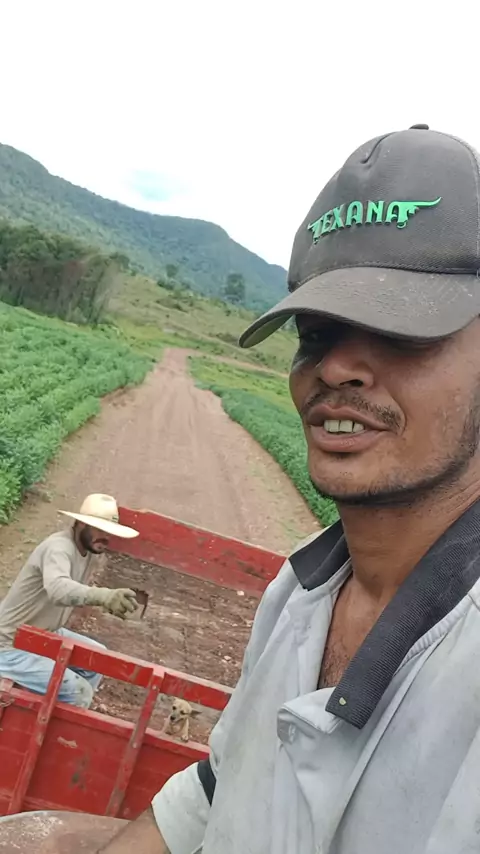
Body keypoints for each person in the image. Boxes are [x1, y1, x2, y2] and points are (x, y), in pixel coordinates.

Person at [21, 124, 480, 853]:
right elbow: (222, 786)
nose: (335, 368)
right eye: (316, 333)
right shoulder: (296, 592)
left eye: (402, 330)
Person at [0, 493, 139, 708]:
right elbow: (58, 589)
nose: (105, 537)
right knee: (78, 692)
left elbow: (74, 592)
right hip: (11, 645)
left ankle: (67, 714)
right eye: (99, 529)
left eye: (108, 532)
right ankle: (62, 725)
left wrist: (108, 602)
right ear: (81, 523)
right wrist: (102, 596)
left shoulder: (87, 551)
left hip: (43, 634)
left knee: (98, 659)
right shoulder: (59, 548)